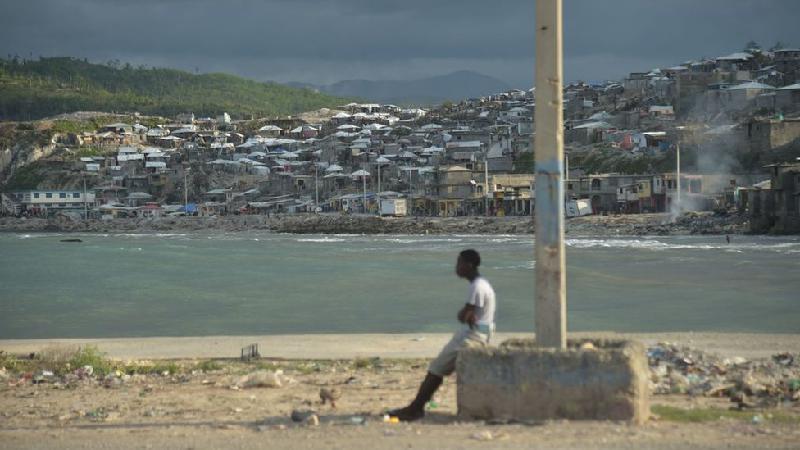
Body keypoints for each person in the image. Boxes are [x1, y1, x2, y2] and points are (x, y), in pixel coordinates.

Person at [387, 249, 496, 421]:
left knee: (436, 368)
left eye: (459, 263)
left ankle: (415, 408)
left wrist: (464, 314)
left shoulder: (477, 287)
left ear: (468, 265)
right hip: (477, 332)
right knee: (438, 368)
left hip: (472, 336)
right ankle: (416, 407)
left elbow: (465, 315)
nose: (456, 267)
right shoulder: (481, 284)